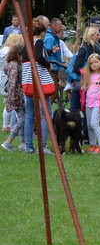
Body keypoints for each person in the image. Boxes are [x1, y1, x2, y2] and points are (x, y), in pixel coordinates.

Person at [21, 22, 54, 154]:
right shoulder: (39, 42)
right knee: (47, 114)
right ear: (42, 33)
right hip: (40, 82)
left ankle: (29, 146)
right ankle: (43, 145)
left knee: (29, 115)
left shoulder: (26, 44)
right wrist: (49, 65)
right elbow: (39, 57)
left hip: (28, 81)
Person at [79, 54, 100, 153]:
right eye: (91, 63)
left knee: (94, 124)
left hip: (99, 104)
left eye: (96, 62)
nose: (94, 65)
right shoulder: (86, 75)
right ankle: (93, 145)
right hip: (88, 104)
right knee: (89, 126)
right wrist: (82, 89)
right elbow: (82, 89)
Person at [1, 34, 26, 151]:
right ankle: (8, 141)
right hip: (17, 96)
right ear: (17, 55)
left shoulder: (12, 65)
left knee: (22, 117)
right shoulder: (15, 66)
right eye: (21, 55)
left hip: (16, 96)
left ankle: (22, 142)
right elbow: (12, 83)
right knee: (22, 119)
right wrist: (12, 98)